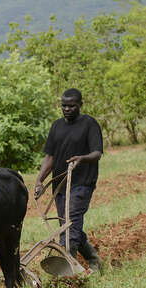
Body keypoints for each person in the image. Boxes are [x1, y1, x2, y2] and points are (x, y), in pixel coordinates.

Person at [35, 88, 103, 272]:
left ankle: (68, 272)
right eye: (64, 106)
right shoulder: (56, 126)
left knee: (70, 224)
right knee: (67, 225)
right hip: (60, 185)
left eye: (71, 106)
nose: (67, 109)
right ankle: (94, 260)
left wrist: (82, 158)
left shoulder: (89, 124)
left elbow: (97, 153)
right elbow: (50, 157)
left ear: (80, 105)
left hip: (82, 183)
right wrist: (40, 181)